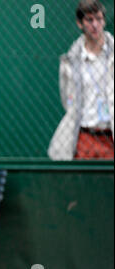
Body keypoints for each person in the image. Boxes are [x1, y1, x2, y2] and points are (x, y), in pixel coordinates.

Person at [48, 0, 114, 160]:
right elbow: (67, 100)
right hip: (84, 135)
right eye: (89, 20)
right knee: (82, 182)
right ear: (80, 24)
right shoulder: (70, 61)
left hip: (110, 135)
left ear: (104, 21)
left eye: (99, 19)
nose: (95, 25)